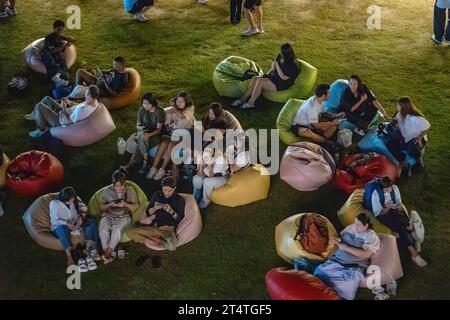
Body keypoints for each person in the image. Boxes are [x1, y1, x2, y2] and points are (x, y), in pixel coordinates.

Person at [363, 176, 427, 267]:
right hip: (383, 215)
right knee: (401, 226)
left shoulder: (395, 188)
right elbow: (378, 214)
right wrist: (388, 208)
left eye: (390, 189)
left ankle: (414, 239)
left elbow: (399, 204)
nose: (389, 191)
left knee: (404, 221)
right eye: (386, 190)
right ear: (382, 188)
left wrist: (397, 209)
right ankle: (413, 252)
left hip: (394, 211)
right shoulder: (376, 194)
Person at [314, 213, 380, 300]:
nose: (355, 226)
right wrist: (329, 256)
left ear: (366, 225)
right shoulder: (351, 228)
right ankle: (322, 293)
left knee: (347, 285)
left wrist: (346, 247)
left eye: (358, 225)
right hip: (337, 261)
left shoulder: (371, 236)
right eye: (354, 223)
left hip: (353, 267)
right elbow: (339, 244)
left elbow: (365, 254)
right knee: (319, 271)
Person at [232, 43, 300, 109]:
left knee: (260, 81)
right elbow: (273, 69)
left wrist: (277, 65)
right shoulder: (280, 56)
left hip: (281, 83)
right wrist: (274, 64)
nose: (280, 53)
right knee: (255, 78)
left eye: (281, 52)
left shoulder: (292, 65)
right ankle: (242, 99)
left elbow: (284, 77)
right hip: (274, 77)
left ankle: (251, 103)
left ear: (286, 54)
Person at [146, 92, 195, 181]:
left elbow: (183, 116)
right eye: (177, 101)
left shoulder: (190, 108)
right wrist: (168, 124)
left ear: (186, 102)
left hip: (184, 135)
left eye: (181, 101)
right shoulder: (171, 110)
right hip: (172, 133)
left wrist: (174, 108)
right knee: (164, 142)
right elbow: (166, 122)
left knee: (171, 144)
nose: (179, 103)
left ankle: (163, 168)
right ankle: (154, 167)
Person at [127, 176, 185, 251]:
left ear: (174, 188)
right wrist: (154, 208)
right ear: (162, 187)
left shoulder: (179, 200)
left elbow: (180, 219)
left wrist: (171, 211)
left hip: (168, 230)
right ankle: (152, 240)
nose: (167, 193)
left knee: (172, 247)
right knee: (129, 232)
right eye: (164, 190)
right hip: (154, 227)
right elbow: (147, 213)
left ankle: (153, 239)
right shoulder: (157, 195)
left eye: (170, 190)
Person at [193, 136, 250, 208]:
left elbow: (231, 170)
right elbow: (199, 174)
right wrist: (201, 165)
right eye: (205, 150)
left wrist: (210, 165)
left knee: (207, 182)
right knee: (196, 179)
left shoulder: (242, 157)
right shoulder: (202, 155)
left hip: (225, 175)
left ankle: (206, 201)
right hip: (217, 171)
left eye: (209, 151)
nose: (206, 153)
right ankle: (196, 195)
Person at [49, 187, 99, 268]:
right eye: (67, 201)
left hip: (75, 223)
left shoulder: (76, 199)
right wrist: (66, 223)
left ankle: (89, 247)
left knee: (92, 223)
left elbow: (84, 208)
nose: (70, 202)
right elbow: (55, 220)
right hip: (60, 225)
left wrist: (81, 217)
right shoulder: (54, 203)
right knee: (62, 230)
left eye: (71, 200)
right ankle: (69, 256)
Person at [26, 85, 101, 138]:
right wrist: (69, 102)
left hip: (60, 120)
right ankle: (35, 114)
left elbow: (69, 121)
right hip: (64, 112)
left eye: (86, 91)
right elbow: (78, 105)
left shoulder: (82, 110)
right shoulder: (93, 101)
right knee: (47, 98)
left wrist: (64, 108)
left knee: (39, 106)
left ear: (87, 94)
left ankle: (41, 129)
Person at [121, 93, 166, 177]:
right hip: (143, 131)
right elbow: (138, 125)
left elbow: (159, 129)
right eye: (143, 103)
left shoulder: (159, 111)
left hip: (156, 134)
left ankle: (130, 164)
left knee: (143, 139)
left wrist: (149, 134)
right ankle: (145, 161)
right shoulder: (141, 110)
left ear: (152, 103)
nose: (145, 105)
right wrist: (141, 130)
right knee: (142, 137)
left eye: (147, 104)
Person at [98, 170, 138, 264]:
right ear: (113, 184)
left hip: (123, 216)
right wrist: (110, 204)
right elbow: (101, 207)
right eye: (116, 186)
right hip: (108, 215)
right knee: (103, 229)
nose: (118, 188)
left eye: (121, 186)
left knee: (116, 229)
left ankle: (107, 254)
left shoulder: (130, 190)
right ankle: (108, 254)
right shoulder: (107, 191)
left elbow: (136, 206)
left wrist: (126, 204)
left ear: (125, 183)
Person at [392, 97, 430, 177]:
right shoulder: (399, 113)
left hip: (415, 139)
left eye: (398, 105)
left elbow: (427, 127)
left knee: (411, 147)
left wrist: (420, 137)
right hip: (405, 136)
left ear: (404, 107)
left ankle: (418, 161)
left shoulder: (417, 118)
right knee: (390, 142)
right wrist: (390, 120)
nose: (397, 106)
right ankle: (402, 161)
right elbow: (396, 121)